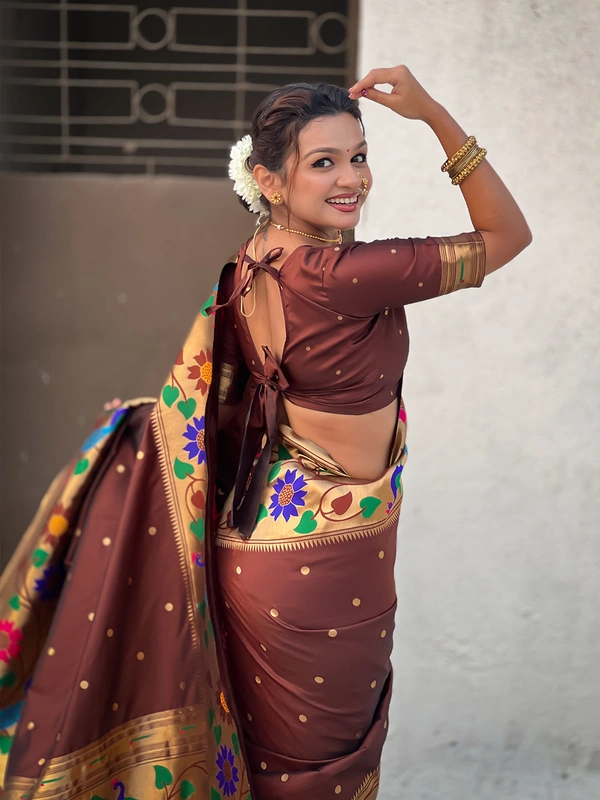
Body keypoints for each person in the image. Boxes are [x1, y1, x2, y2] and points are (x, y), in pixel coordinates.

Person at [0, 66, 531, 800]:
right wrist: (436, 115)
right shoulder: (344, 274)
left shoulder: (253, 263)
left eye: (359, 156)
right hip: (325, 560)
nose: (351, 178)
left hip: (265, 546)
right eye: (324, 162)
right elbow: (508, 235)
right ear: (268, 180)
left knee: (272, 771)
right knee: (322, 779)